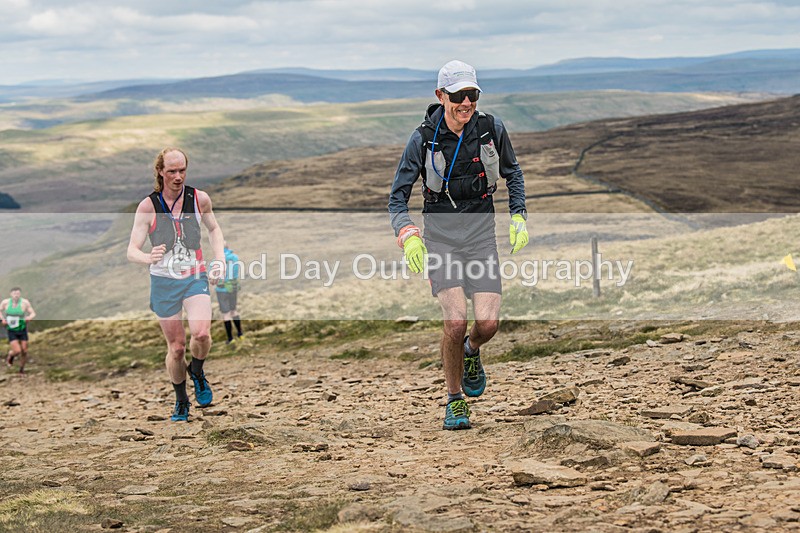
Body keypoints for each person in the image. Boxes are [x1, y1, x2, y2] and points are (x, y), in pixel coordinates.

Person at [388, 60, 529, 430]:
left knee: (487, 323)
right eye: (458, 96)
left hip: (481, 235)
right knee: (454, 321)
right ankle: (454, 401)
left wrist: (518, 216)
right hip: (441, 237)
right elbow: (397, 197)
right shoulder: (422, 138)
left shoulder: (491, 128)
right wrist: (408, 236)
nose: (466, 103)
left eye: (473, 94)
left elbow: (513, 173)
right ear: (440, 96)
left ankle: (471, 351)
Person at [127, 147, 226, 422]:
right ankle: (181, 400)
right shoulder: (148, 207)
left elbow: (214, 229)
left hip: (195, 276)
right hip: (163, 281)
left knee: (202, 334)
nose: (178, 176)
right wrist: (148, 257)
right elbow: (131, 250)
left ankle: (197, 370)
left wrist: (220, 259)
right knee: (177, 347)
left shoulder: (199, 199)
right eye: (172, 171)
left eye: (182, 170)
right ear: (160, 171)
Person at [2, 287, 36, 374]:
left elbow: (33, 313)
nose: (16, 295)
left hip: (22, 328)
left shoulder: (24, 302)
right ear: (11, 294)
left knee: (24, 350)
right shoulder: (5, 302)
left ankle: (21, 369)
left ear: (20, 294)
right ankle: (10, 355)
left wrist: (29, 318)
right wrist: (3, 319)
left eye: (18, 293)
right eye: (14, 293)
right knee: (17, 350)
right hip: (11, 329)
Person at [216, 242, 244, 344]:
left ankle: (230, 339)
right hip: (233, 288)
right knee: (234, 311)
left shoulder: (217, 260)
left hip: (222, 290)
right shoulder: (235, 258)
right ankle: (240, 334)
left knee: (226, 315)